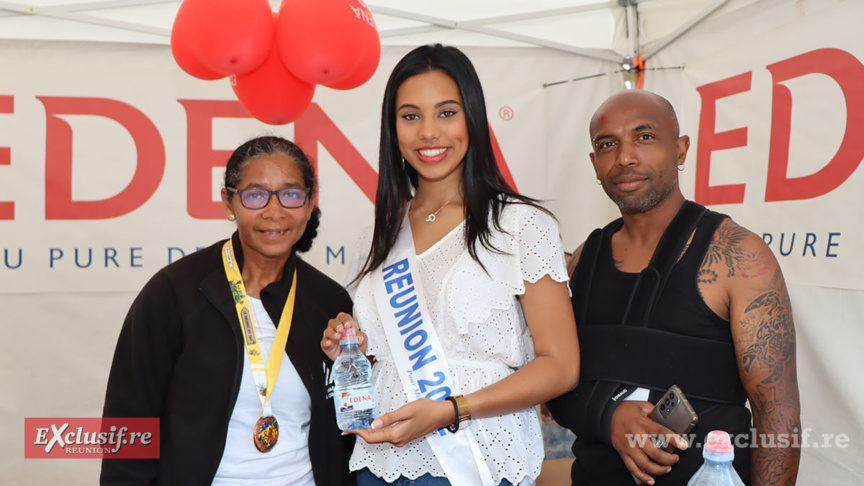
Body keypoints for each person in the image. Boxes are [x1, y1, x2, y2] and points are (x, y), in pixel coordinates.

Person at [320, 44, 580, 486]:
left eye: (446, 113)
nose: (428, 132)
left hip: (477, 462)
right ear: (393, 128)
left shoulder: (519, 225)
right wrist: (351, 352)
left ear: (473, 119)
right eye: (410, 116)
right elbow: (382, 365)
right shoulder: (376, 237)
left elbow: (561, 365)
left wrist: (451, 410)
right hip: (381, 464)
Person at [547, 90, 801, 485]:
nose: (625, 157)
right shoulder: (583, 260)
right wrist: (608, 415)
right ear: (594, 164)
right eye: (607, 144)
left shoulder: (738, 256)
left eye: (644, 137)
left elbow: (778, 414)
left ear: (681, 150)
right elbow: (554, 382)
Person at [101, 136, 354, 485]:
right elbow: (129, 423)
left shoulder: (329, 301)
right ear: (228, 203)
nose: (274, 210)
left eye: (291, 193)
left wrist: (358, 366)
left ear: (311, 203)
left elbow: (349, 426)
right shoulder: (174, 293)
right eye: (255, 194)